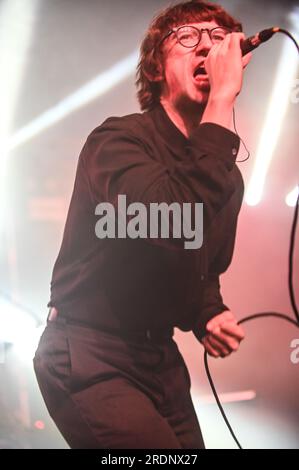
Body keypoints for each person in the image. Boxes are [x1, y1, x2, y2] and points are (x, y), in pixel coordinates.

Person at [34, 0, 251, 449]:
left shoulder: (226, 176)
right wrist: (222, 101)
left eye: (217, 40)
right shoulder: (118, 141)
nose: (206, 49)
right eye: (189, 38)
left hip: (158, 356)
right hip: (89, 349)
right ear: (155, 70)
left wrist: (206, 311)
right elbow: (173, 220)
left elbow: (200, 262)